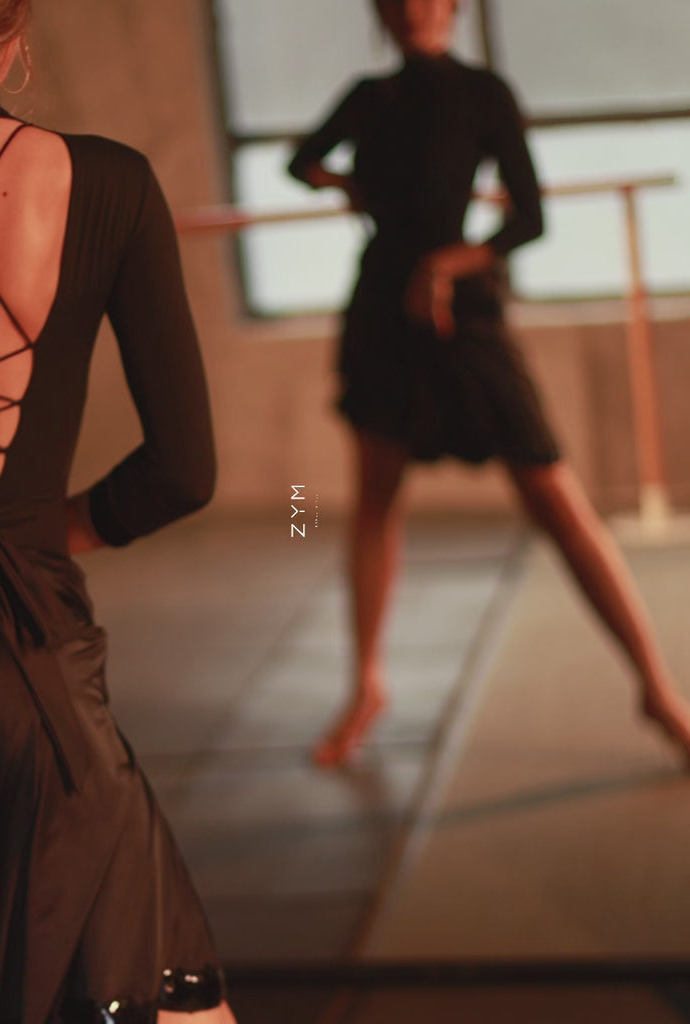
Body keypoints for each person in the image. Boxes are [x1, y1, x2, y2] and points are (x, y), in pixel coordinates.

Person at [0, 2, 237, 1022]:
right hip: (32, 687)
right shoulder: (109, 182)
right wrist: (50, 532)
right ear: (10, 41)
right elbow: (183, 471)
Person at [288, 0, 690, 768]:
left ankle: (658, 689)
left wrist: (447, 264)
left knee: (555, 496)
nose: (414, 11)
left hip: (462, 316)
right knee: (373, 500)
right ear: (382, 14)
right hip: (380, 310)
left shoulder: (482, 93)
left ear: (452, 8)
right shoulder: (369, 97)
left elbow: (528, 219)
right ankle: (366, 686)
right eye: (398, 1)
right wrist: (344, 186)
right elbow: (299, 161)